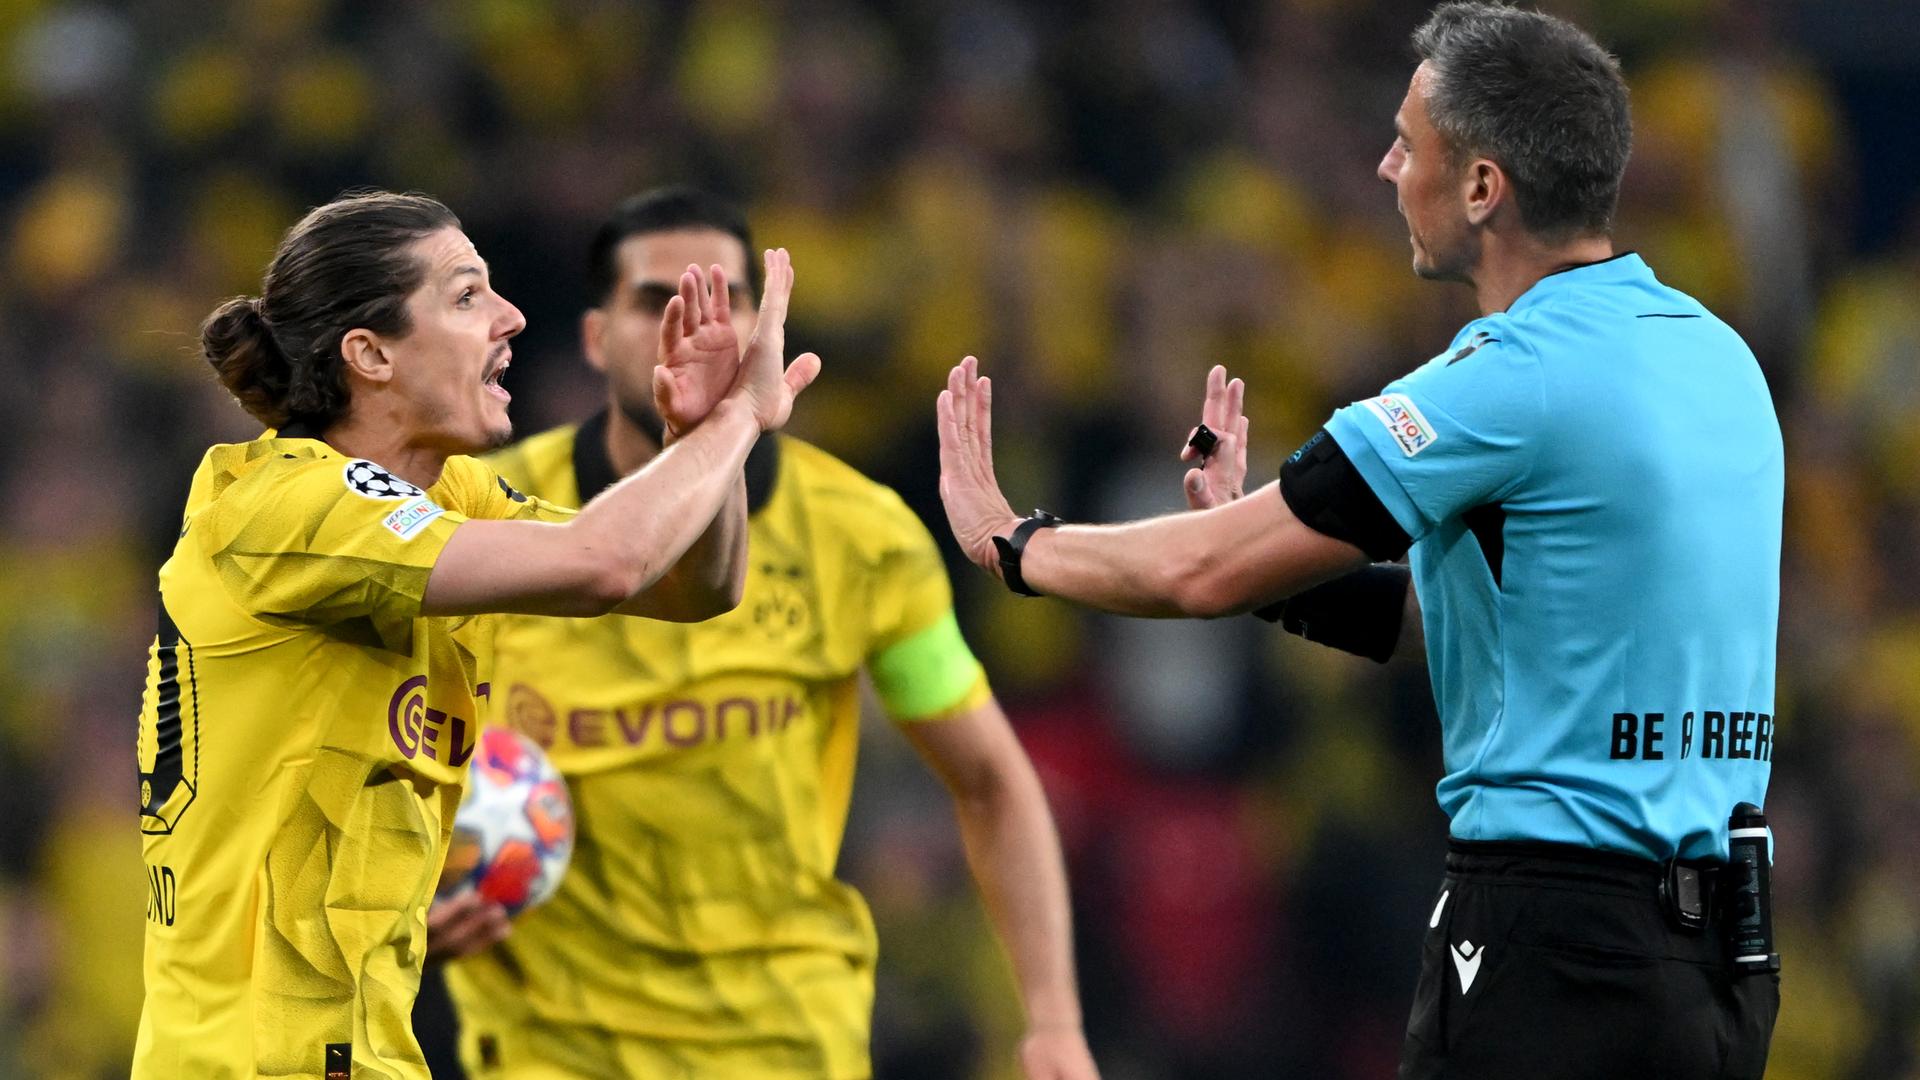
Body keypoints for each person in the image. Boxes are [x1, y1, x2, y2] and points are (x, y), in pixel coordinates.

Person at [933, 5, 1783, 1078]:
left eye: (1408, 143)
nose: (1386, 168)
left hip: (1555, 940)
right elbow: (1475, 631)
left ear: (1482, 187)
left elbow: (1197, 575)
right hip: (1717, 959)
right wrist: (1267, 567)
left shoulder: (1507, 379)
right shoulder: (1722, 361)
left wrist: (1017, 543)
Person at [132, 190, 819, 1079]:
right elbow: (605, 560)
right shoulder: (288, 508)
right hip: (251, 1061)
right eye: (466, 296)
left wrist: (690, 433)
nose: (511, 316)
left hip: (359, 1052)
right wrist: (736, 423)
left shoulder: (448, 496)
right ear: (370, 355)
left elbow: (695, 586)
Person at [427, 187, 1098, 1080]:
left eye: (724, 295)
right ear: (594, 339)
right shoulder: (480, 510)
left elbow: (989, 780)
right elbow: (364, 745)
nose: (691, 318)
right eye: (652, 297)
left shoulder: (862, 535)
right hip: (553, 1046)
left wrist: (1051, 1023)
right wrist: (403, 904)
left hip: (785, 1041)